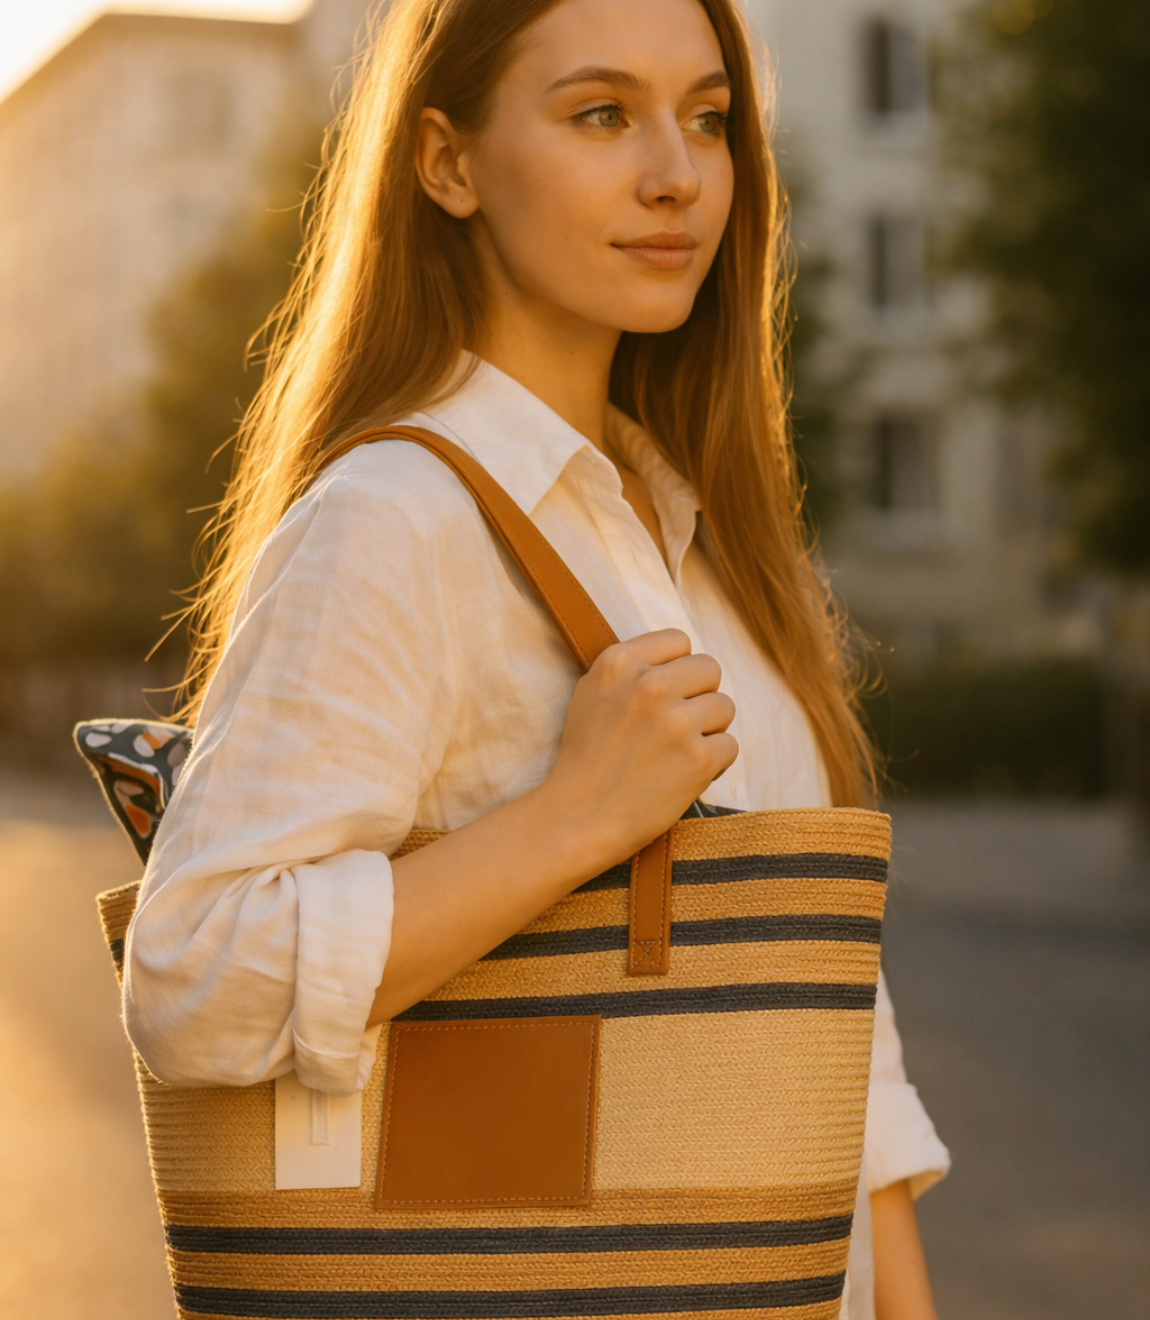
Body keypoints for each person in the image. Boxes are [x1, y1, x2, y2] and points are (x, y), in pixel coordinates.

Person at [123, 0, 950, 1315]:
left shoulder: (691, 525)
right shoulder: (394, 519)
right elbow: (195, 973)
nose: (675, 173)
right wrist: (575, 818)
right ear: (447, 162)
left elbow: (838, 1031)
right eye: (600, 114)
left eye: (708, 119)